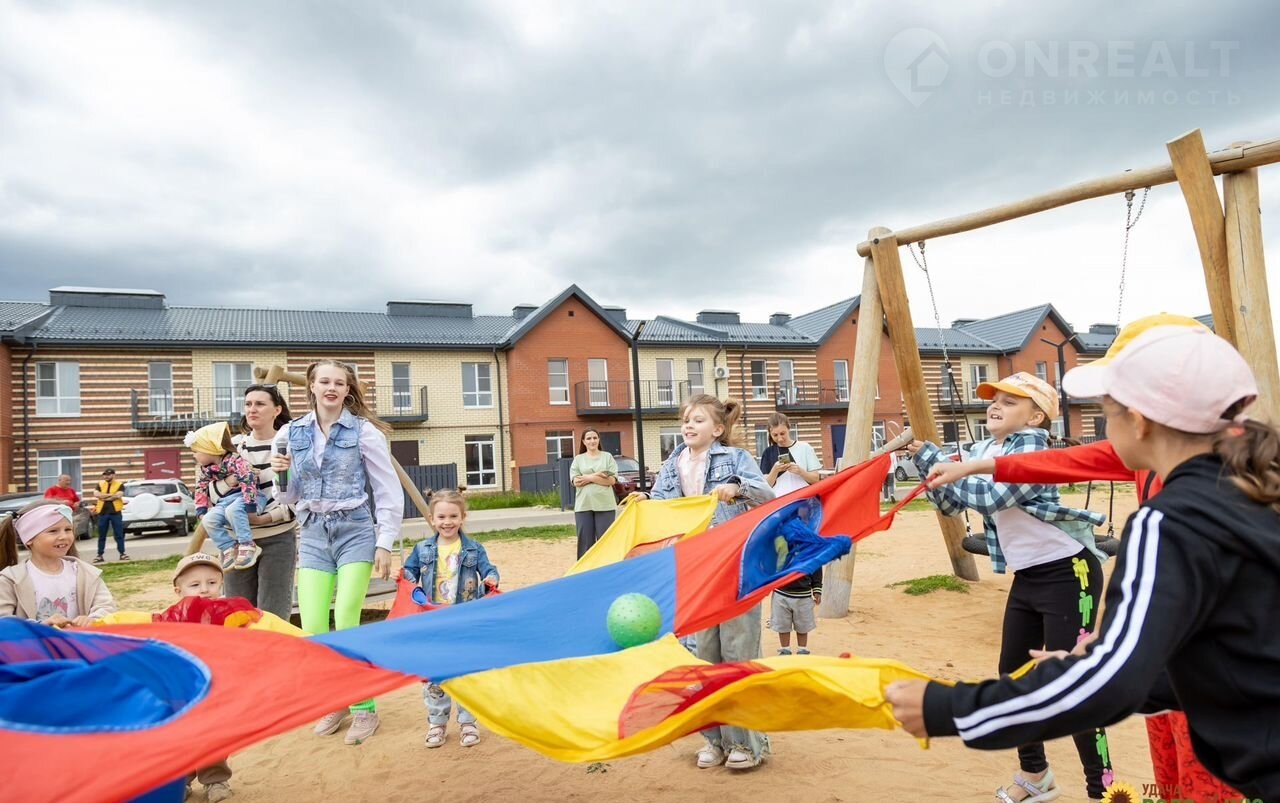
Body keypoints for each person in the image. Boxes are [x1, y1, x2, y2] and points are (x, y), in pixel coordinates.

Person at [887, 326, 1280, 801]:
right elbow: (1231, 659)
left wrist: (949, 708)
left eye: (1105, 414)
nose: (1103, 430)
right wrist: (1095, 663)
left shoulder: (1170, 521)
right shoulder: (1248, 495)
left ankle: (1098, 785)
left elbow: (1111, 687)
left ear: (1140, 422)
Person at [907, 371, 1112, 801]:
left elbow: (995, 498)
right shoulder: (983, 450)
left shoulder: (1035, 447)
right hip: (1029, 577)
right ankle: (1035, 775)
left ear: (1035, 416)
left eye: (1009, 401)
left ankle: (1103, 789)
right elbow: (951, 504)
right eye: (993, 399)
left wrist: (947, 464)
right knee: (1013, 676)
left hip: (1068, 572)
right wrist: (929, 466)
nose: (995, 405)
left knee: (1072, 682)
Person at [628, 394, 775, 771]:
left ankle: (746, 743)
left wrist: (738, 487)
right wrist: (644, 501)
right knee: (703, 656)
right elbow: (663, 507)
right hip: (696, 571)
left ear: (718, 429)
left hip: (735, 568)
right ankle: (715, 740)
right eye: (685, 420)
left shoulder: (735, 459)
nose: (688, 426)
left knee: (737, 652)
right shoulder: (673, 463)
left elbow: (767, 495)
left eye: (697, 420)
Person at [272, 359, 403, 746]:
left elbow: (387, 489)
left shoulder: (364, 432)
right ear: (311, 386)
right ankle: (336, 699)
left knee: (346, 616)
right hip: (313, 531)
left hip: (354, 529)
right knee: (313, 625)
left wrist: (384, 542)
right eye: (324, 381)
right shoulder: (291, 433)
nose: (331, 388)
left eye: (339, 383)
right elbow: (288, 496)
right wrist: (281, 473)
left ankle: (364, 707)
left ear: (348, 390)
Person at [402, 490, 499, 749]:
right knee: (435, 674)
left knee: (466, 672)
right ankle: (437, 723)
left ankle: (468, 722)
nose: (447, 522)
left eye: (453, 516)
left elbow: (489, 570)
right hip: (433, 623)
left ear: (463, 517)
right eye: (442, 517)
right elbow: (410, 572)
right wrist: (403, 578)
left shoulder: (473, 548)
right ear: (432, 519)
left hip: (464, 620)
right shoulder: (422, 549)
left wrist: (491, 578)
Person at [215, 384, 298, 620]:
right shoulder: (232, 448)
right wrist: (231, 480)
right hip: (236, 542)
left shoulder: (290, 447)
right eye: (248, 404)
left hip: (277, 538)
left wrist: (264, 518)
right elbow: (211, 492)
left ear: (276, 410)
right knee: (238, 613)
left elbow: (300, 496)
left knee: (273, 614)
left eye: (260, 404)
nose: (252, 409)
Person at [171, 552, 236, 803]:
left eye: (212, 582)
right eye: (195, 584)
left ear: (221, 584)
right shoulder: (171, 618)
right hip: (182, 691)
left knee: (213, 734)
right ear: (178, 591)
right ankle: (181, 780)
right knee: (181, 736)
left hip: (216, 688)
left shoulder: (229, 614)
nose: (205, 589)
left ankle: (216, 779)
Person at [0, 500, 116, 625]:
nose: (63, 536)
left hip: (78, 637)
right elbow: (4, 621)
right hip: (35, 639)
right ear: (29, 538)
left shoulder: (86, 573)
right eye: (53, 531)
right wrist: (42, 626)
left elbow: (106, 606)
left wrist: (93, 619)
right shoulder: (11, 579)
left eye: (68, 529)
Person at [188, 422, 261, 571]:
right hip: (226, 501)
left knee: (233, 510)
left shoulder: (236, 461)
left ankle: (247, 544)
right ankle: (229, 547)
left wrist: (249, 505)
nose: (193, 455)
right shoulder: (206, 470)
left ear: (210, 450)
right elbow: (201, 487)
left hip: (249, 497)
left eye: (196, 451)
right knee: (208, 519)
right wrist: (201, 509)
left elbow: (248, 479)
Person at [570, 428, 619, 558]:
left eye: (595, 438)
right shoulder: (578, 459)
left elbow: (611, 480)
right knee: (585, 543)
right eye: (589, 438)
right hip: (583, 506)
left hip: (605, 506)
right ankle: (586, 568)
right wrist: (597, 475)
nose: (592, 441)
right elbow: (576, 481)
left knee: (605, 541)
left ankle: (606, 567)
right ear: (583, 441)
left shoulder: (607, 457)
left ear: (598, 440)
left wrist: (588, 478)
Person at [758, 413, 822, 497]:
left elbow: (816, 479)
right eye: (775, 435)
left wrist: (801, 472)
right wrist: (775, 471)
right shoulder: (768, 452)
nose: (780, 439)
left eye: (782, 433)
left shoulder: (805, 448)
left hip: (804, 499)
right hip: (780, 502)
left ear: (789, 428)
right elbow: (765, 487)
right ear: (770, 434)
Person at [92, 467, 128, 563]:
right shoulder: (100, 484)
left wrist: (104, 496)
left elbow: (118, 495)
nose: (106, 476)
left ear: (113, 475)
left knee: (119, 534)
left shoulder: (119, 484)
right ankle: (100, 555)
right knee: (101, 535)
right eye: (105, 475)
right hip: (102, 513)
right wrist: (111, 495)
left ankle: (122, 554)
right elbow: (96, 494)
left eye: (108, 475)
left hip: (115, 512)